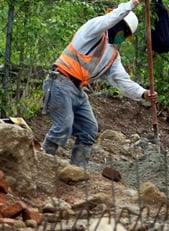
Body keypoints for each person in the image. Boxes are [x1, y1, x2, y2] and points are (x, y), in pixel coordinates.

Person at [42, 0, 157, 168]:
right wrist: (131, 4)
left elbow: (122, 80)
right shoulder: (93, 30)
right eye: (123, 32)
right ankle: (42, 162)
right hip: (60, 81)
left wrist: (143, 93)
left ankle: (76, 170)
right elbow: (109, 19)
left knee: (89, 129)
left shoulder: (112, 55)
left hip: (77, 90)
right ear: (117, 24)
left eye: (125, 35)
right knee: (63, 127)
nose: (122, 37)